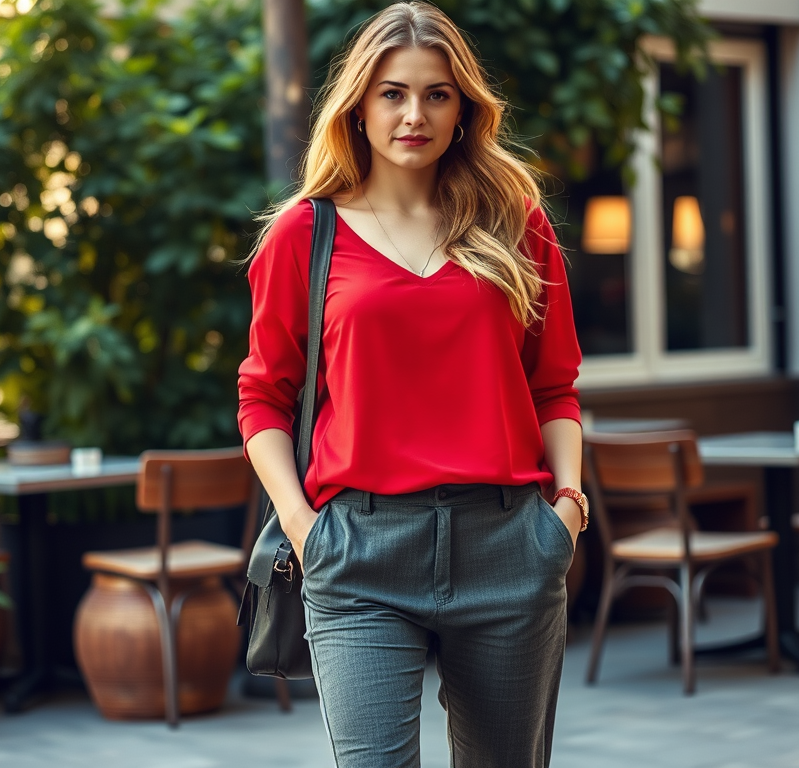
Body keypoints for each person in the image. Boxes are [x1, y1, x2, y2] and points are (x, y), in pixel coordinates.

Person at [238, 3, 584, 766]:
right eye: (392, 93)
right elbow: (263, 396)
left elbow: (555, 385)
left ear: (463, 108)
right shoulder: (305, 233)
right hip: (357, 552)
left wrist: (565, 510)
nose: (413, 114)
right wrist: (304, 528)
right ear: (359, 104)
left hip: (508, 547)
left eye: (436, 94)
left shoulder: (513, 219)